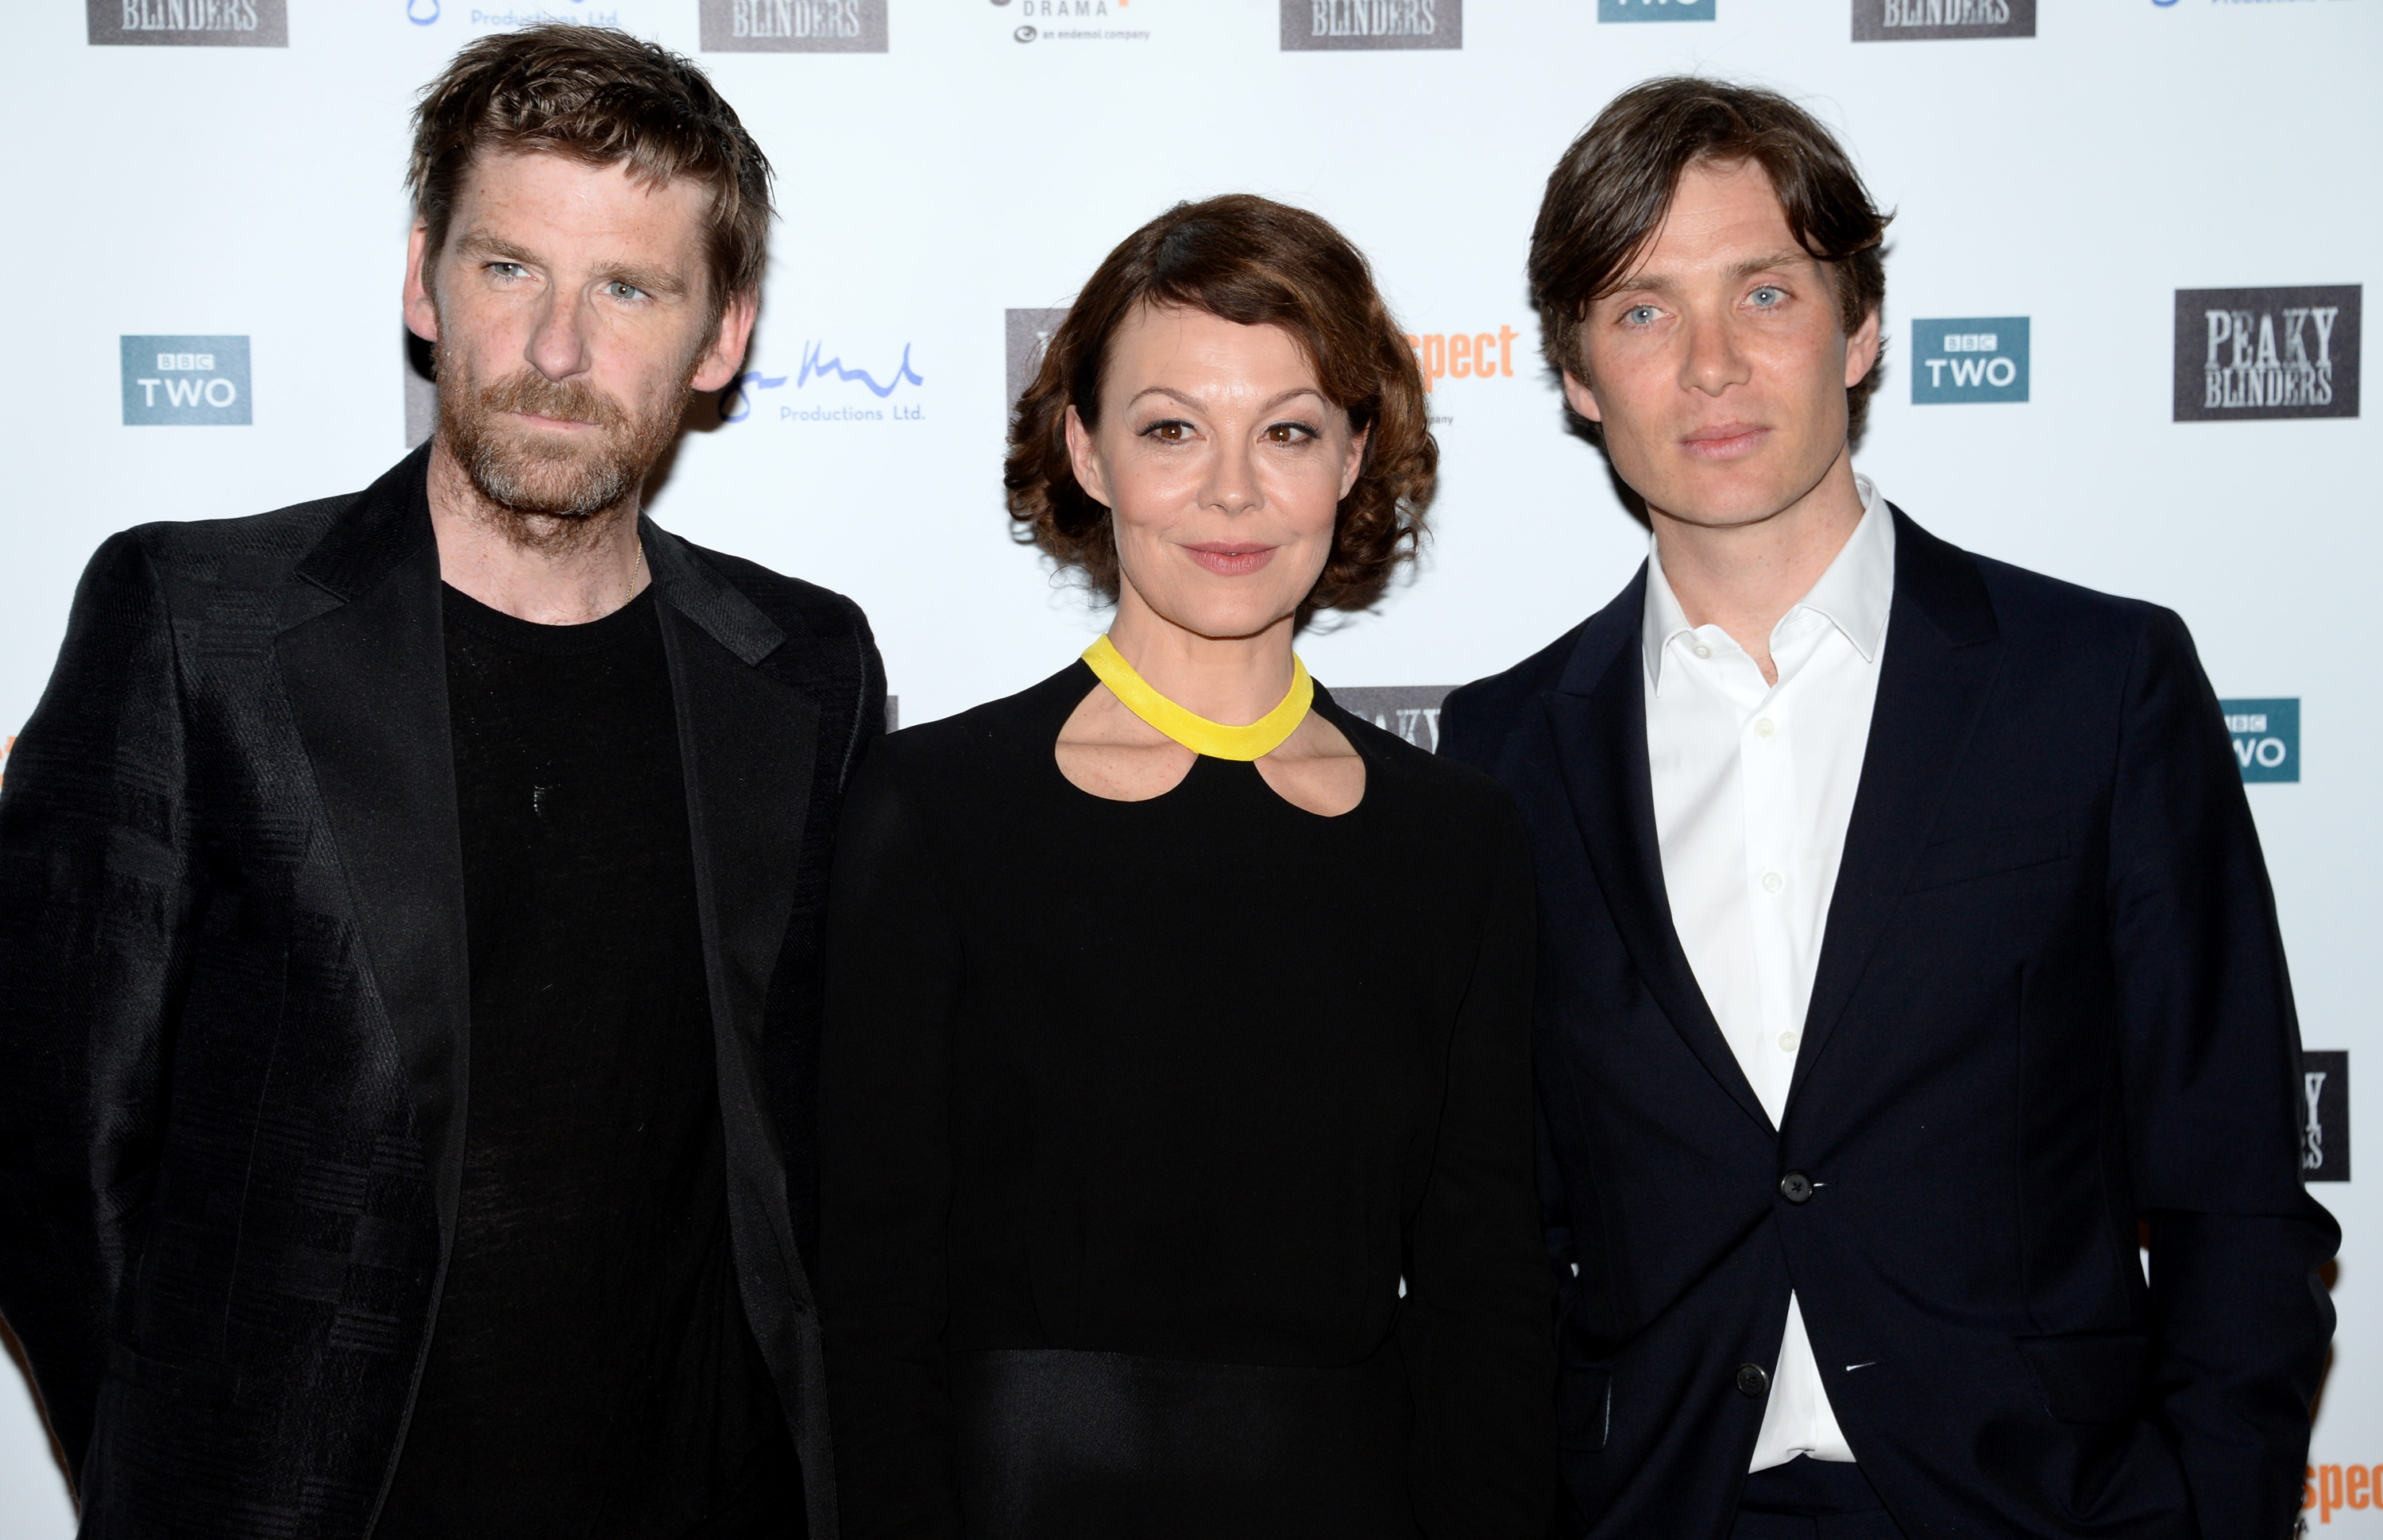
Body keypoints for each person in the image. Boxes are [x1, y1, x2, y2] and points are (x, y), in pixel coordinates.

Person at [0, 25, 880, 1538]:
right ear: (423, 281)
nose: (557, 349)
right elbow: (44, 1141)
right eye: (507, 269)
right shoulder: (193, 624)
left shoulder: (804, 669)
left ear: (720, 336)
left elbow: (815, 1150)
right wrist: (192, 1482)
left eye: (629, 288)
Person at [1440, 77, 2335, 1540]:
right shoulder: (1497, 755)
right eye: (1644, 311)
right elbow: (1500, 1235)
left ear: (1859, 331)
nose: (1712, 365)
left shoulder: (2097, 686)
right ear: (1578, 375)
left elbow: (2234, 1182)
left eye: (1767, 293)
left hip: (2036, 1509)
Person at [817, 194, 1554, 1539]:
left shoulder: (1458, 843)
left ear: (1355, 456)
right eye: (1171, 429)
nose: (1232, 490)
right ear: (1086, 452)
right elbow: (869, 1299)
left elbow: (1489, 1307)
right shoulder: (934, 812)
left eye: (1287, 429)